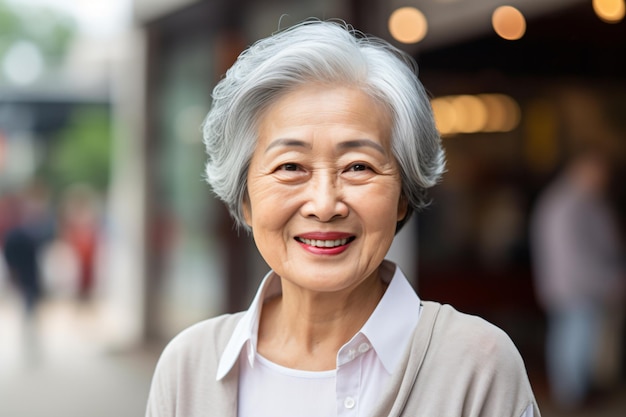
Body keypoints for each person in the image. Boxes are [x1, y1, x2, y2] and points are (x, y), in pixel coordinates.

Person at [146, 20, 540, 417]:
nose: (324, 204)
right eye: (290, 166)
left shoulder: (476, 364)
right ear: (244, 197)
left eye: (358, 167)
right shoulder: (188, 368)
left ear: (403, 195)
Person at [530, 150, 625, 410]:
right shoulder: (567, 204)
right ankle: (571, 398)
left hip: (581, 284)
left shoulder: (583, 201)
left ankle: (574, 394)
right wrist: (608, 281)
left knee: (576, 339)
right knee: (574, 340)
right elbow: (574, 256)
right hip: (574, 286)